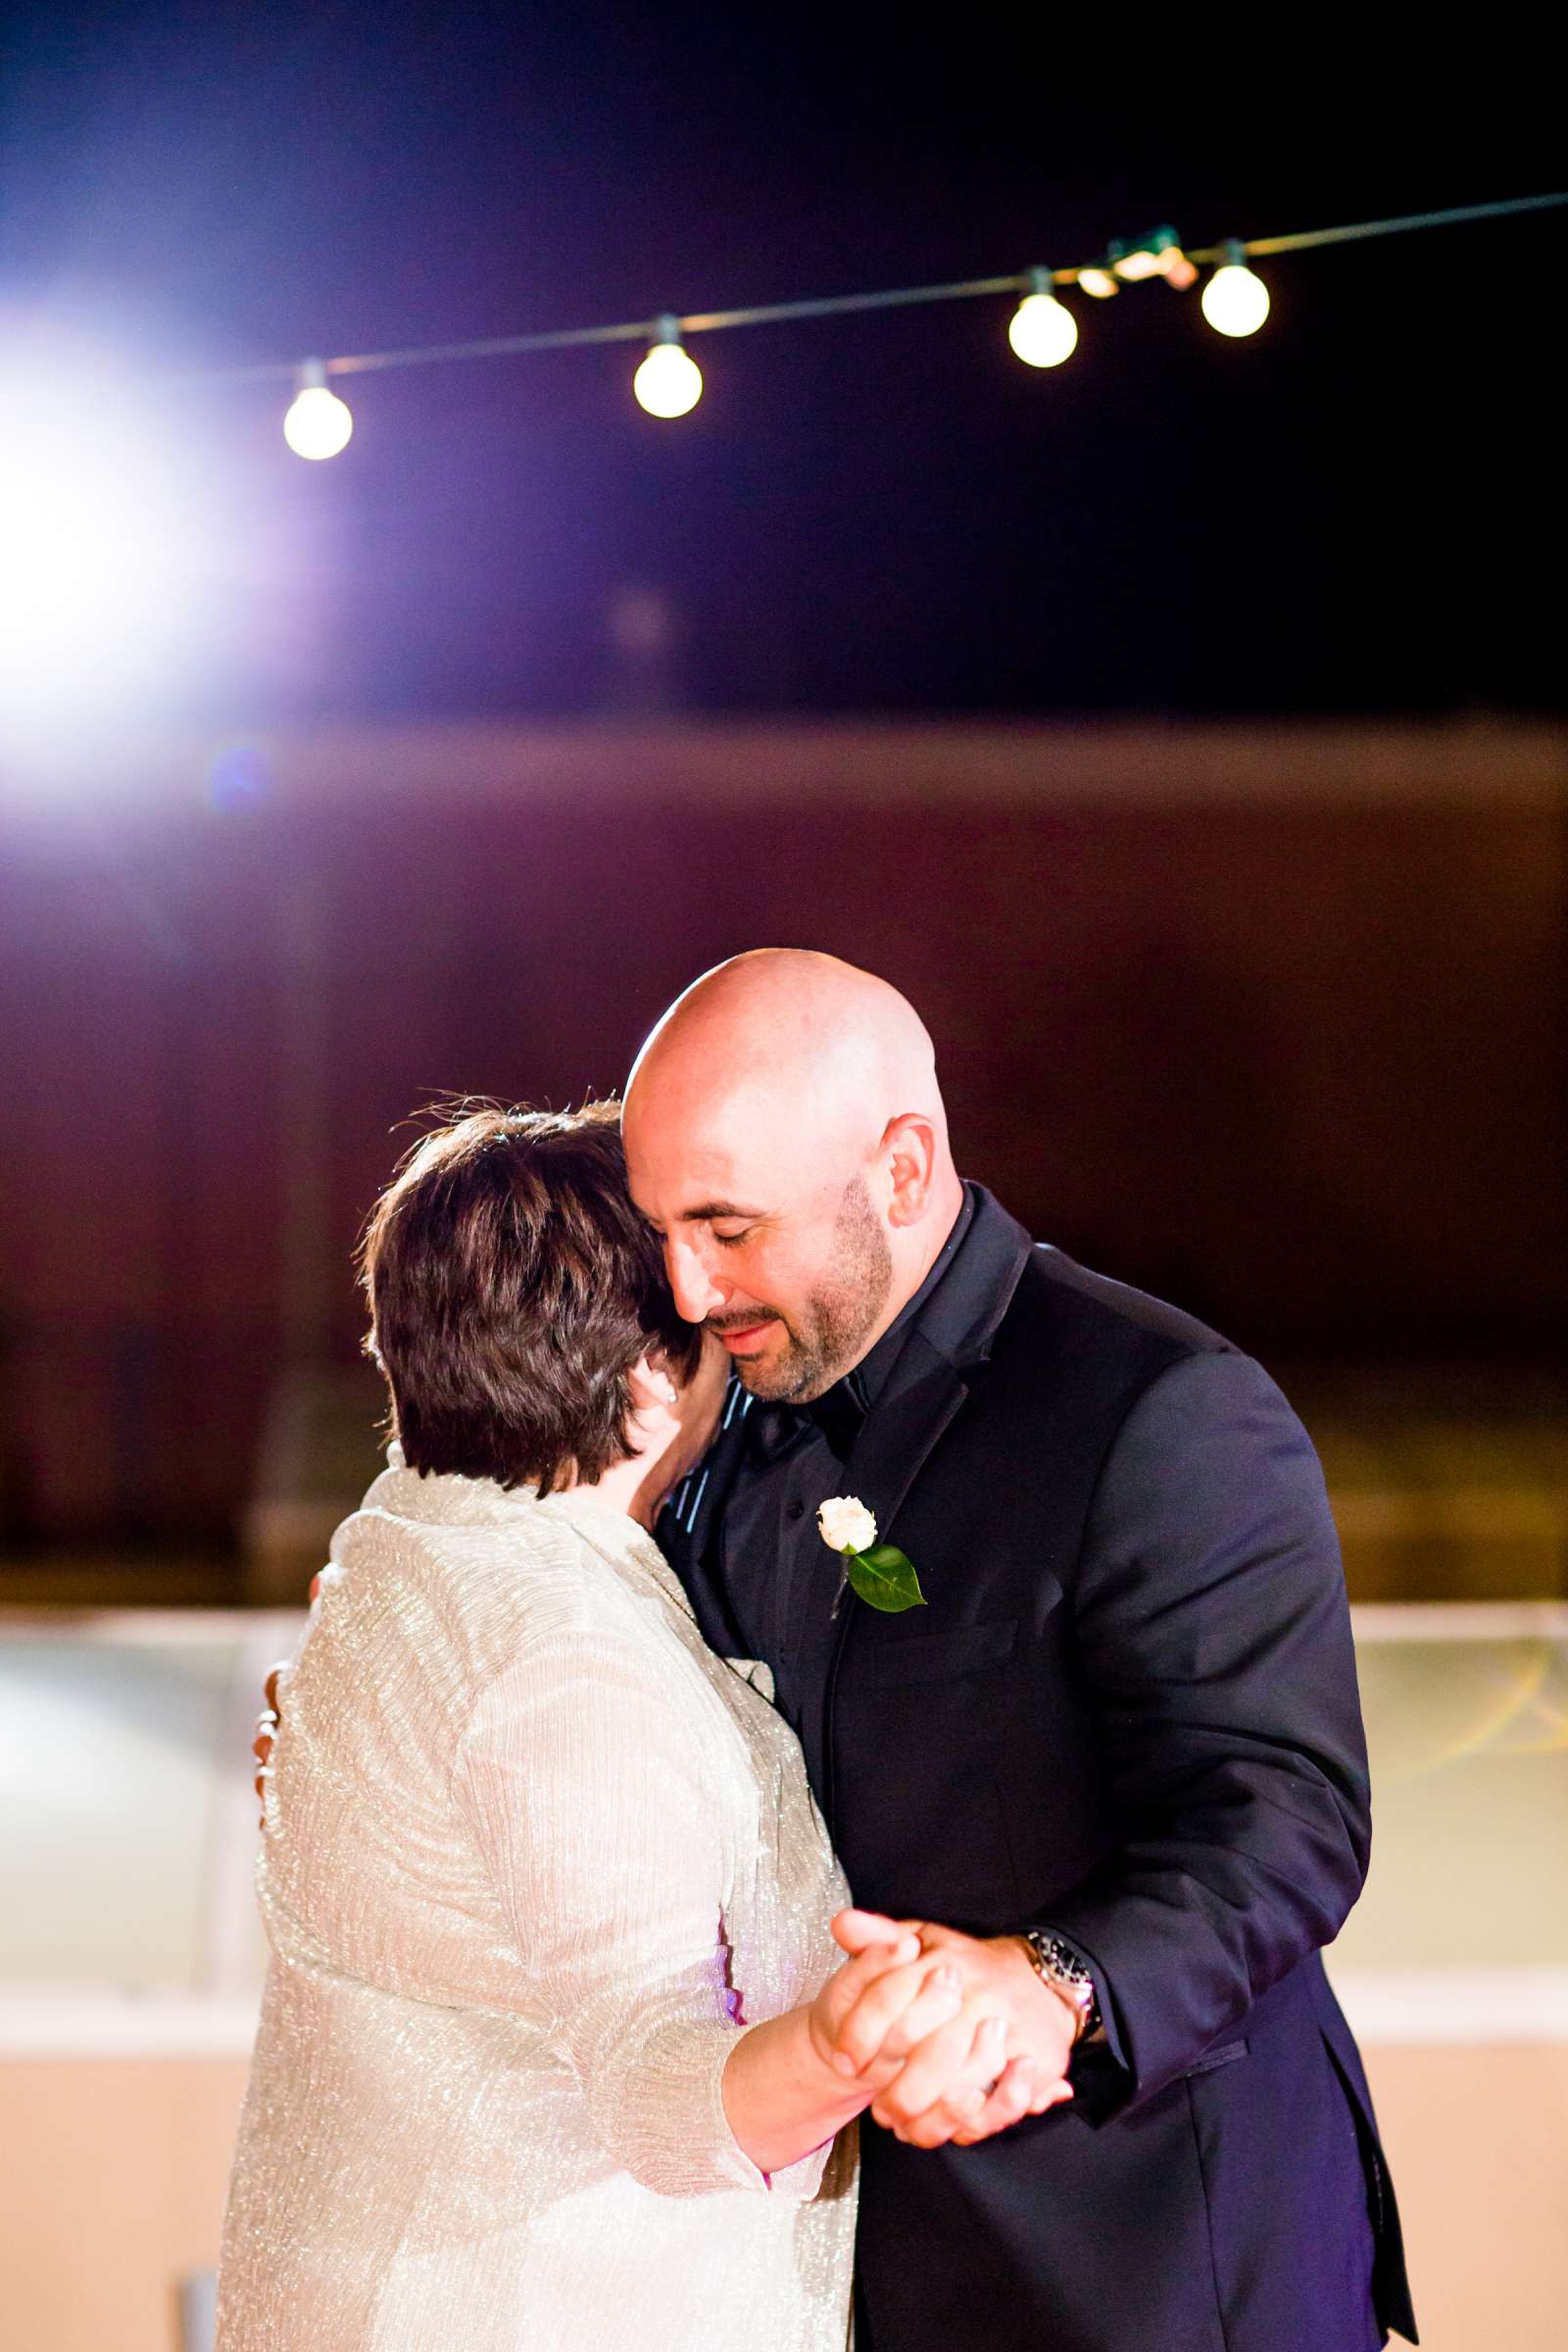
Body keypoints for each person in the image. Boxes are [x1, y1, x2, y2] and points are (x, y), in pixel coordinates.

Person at [623, 950, 1420, 2352]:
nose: (689, 1290)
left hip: (1161, 2258)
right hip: (866, 2260)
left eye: (728, 1228)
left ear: (905, 1168)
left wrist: (1049, 1985)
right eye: (665, 1233)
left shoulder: (1165, 1411)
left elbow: (1282, 1819)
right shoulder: (729, 1431)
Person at [219, 1103, 1031, 2352]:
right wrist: (841, 2041)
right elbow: (660, 2093)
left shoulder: (410, 1541)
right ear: (648, 1380)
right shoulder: (564, 1661)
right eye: (697, 1312)